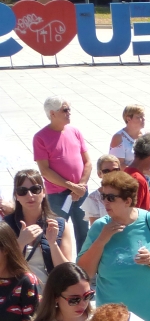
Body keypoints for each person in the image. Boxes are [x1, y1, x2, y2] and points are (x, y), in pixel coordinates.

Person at [76, 172, 150, 321]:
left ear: (128, 201)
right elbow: (84, 272)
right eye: (103, 197)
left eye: (111, 198)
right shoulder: (99, 227)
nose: (105, 202)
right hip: (114, 320)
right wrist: (101, 240)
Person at [33, 96, 90, 246]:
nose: (69, 112)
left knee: (84, 233)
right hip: (57, 196)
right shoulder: (40, 138)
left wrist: (81, 185)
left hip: (80, 193)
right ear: (52, 113)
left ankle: (84, 261)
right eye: (65, 110)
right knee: (56, 234)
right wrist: (72, 186)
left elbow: (88, 162)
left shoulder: (75, 131)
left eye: (69, 109)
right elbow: (45, 171)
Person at [7, 169, 75, 286]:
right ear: (16, 196)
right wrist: (20, 243)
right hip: (17, 292)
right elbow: (3, 267)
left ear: (43, 192)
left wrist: (53, 244)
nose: (30, 195)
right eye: (22, 191)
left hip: (49, 292)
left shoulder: (59, 224)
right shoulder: (6, 225)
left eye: (35, 189)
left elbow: (66, 271)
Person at [82, 155, 119, 226]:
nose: (111, 174)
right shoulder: (94, 198)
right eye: (106, 171)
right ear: (99, 174)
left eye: (115, 170)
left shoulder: (127, 191)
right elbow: (96, 228)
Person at [108, 104, 145, 168]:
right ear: (128, 119)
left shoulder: (146, 135)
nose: (143, 119)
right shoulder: (118, 138)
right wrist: (138, 171)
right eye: (139, 117)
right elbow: (117, 165)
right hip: (128, 174)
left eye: (143, 116)